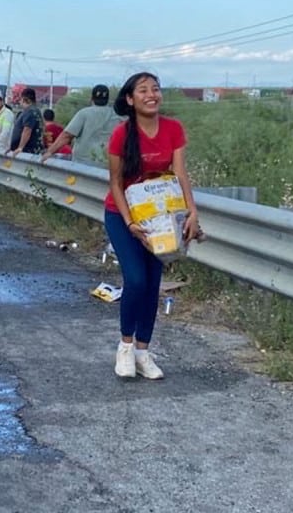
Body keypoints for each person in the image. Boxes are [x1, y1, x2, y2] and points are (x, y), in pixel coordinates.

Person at [104, 72, 200, 380]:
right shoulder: (122, 134)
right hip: (123, 216)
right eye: (143, 90)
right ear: (130, 100)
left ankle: (144, 351)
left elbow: (181, 174)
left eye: (155, 89)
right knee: (135, 279)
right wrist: (131, 223)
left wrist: (192, 213)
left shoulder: (173, 129)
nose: (151, 95)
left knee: (153, 282)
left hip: (160, 217)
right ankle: (125, 347)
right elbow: (116, 183)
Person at [41, 84, 120, 166]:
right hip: (107, 164)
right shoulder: (116, 116)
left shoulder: (84, 113)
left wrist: (49, 152)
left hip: (83, 164)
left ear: (92, 99)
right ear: (107, 99)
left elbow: (67, 135)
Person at [7, 87, 45, 157]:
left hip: (27, 151)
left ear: (24, 99)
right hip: (28, 150)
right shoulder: (35, 111)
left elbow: (27, 130)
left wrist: (20, 147)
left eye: (20, 99)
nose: (20, 102)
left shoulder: (30, 111)